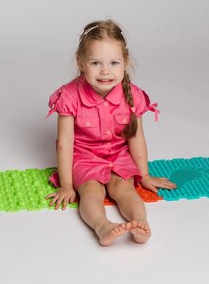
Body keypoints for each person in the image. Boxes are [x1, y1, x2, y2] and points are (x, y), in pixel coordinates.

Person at [45, 19, 176, 246]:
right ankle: (102, 226)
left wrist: (144, 175)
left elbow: (136, 137)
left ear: (125, 63)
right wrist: (66, 184)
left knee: (125, 189)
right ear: (81, 62)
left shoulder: (132, 95)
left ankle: (140, 224)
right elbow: (65, 142)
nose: (105, 71)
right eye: (96, 63)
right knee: (91, 192)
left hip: (118, 155)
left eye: (114, 63)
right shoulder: (69, 95)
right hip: (84, 156)